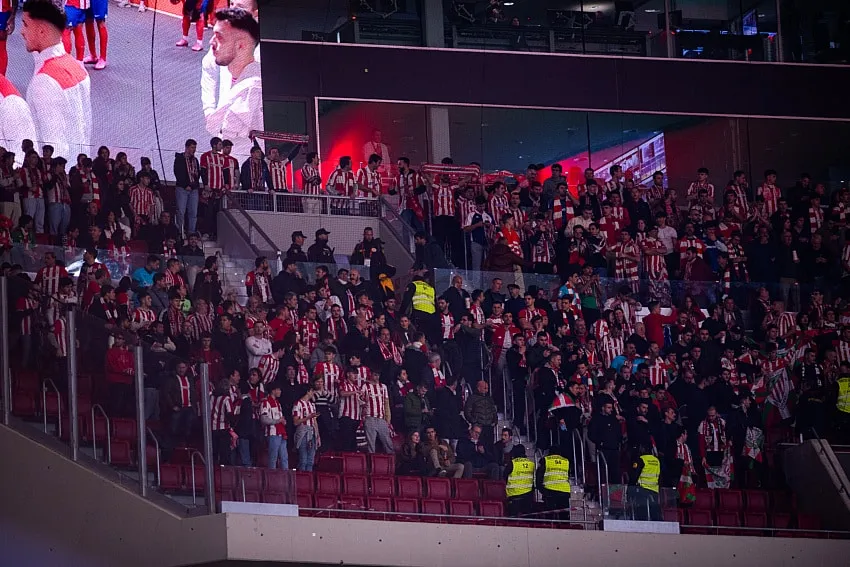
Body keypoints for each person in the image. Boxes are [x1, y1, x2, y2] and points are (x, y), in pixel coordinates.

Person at [22, 0, 92, 160]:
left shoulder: (44, 82)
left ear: (41, 31)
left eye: (25, 24)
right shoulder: (78, 69)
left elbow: (53, 147)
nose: (21, 32)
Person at [206, 7, 262, 161]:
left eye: (219, 37)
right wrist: (209, 109)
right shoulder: (225, 68)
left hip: (243, 156)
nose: (211, 42)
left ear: (240, 45)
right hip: (222, 151)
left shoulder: (255, 85)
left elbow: (215, 123)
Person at [173, 139, 201, 236]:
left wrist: (193, 185)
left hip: (193, 189)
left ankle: (191, 232)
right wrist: (186, 185)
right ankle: (180, 232)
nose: (194, 150)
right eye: (192, 147)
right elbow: (178, 173)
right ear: (187, 147)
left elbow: (198, 174)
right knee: (181, 211)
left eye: (195, 148)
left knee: (193, 212)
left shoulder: (195, 160)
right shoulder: (180, 158)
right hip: (182, 189)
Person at [361, 370, 394, 454]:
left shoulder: (383, 387)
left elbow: (386, 403)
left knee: (387, 442)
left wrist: (388, 419)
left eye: (378, 375)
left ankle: (392, 462)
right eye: (375, 375)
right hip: (369, 418)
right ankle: (372, 464)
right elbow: (360, 401)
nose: (377, 377)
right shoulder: (365, 386)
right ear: (371, 375)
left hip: (381, 419)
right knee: (371, 444)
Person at [628, 445, 661, 521]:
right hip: (654, 489)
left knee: (641, 511)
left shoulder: (641, 459)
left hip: (642, 489)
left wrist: (630, 488)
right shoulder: (657, 460)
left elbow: (634, 475)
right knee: (654, 512)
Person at [260, 382, 288, 469]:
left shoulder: (278, 403)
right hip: (272, 434)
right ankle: (271, 480)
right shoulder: (265, 402)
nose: (280, 391)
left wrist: (282, 421)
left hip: (281, 433)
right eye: (278, 389)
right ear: (273, 391)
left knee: (284, 458)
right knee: (273, 458)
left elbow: (279, 418)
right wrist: (277, 421)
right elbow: (263, 419)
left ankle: (285, 479)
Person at [292, 384, 320, 471]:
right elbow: (295, 422)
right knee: (303, 460)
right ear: (307, 392)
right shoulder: (298, 404)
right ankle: (301, 480)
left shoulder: (312, 405)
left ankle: (308, 480)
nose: (313, 393)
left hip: (312, 432)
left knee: (310, 460)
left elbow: (315, 421)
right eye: (312, 391)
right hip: (303, 432)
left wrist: (318, 435)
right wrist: (308, 417)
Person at [505, 444, 534, 517]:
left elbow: (504, 476)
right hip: (528, 497)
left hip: (514, 496)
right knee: (528, 520)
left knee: (513, 521)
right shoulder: (531, 463)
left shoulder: (512, 463)